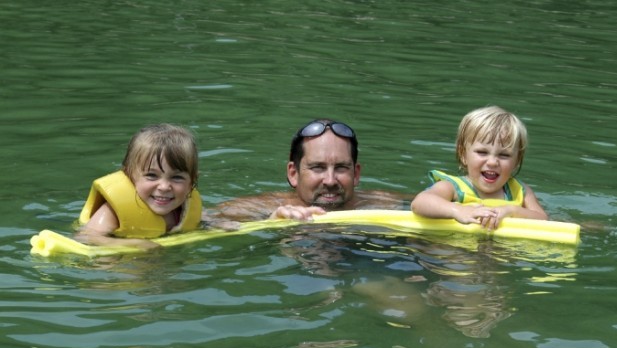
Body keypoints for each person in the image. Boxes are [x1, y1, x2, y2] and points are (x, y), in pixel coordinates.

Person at [214, 119, 409, 222]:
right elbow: (204, 220)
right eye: (318, 167)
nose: (331, 180)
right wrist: (273, 225)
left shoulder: (382, 203)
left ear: (356, 174)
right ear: (293, 173)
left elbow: (430, 202)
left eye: (341, 167)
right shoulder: (266, 207)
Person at [411, 106, 548, 229]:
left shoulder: (520, 191)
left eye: (504, 155)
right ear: (463, 154)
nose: (493, 162)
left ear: (517, 161)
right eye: (482, 152)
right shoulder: (452, 188)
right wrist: (458, 211)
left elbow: (543, 219)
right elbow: (419, 203)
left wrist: (512, 211)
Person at [76, 123, 205, 248]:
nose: (164, 187)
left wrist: (218, 222)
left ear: (191, 182)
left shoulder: (183, 208)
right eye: (152, 175)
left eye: (177, 177)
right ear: (129, 176)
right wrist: (134, 244)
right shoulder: (112, 212)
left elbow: (201, 219)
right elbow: (85, 237)